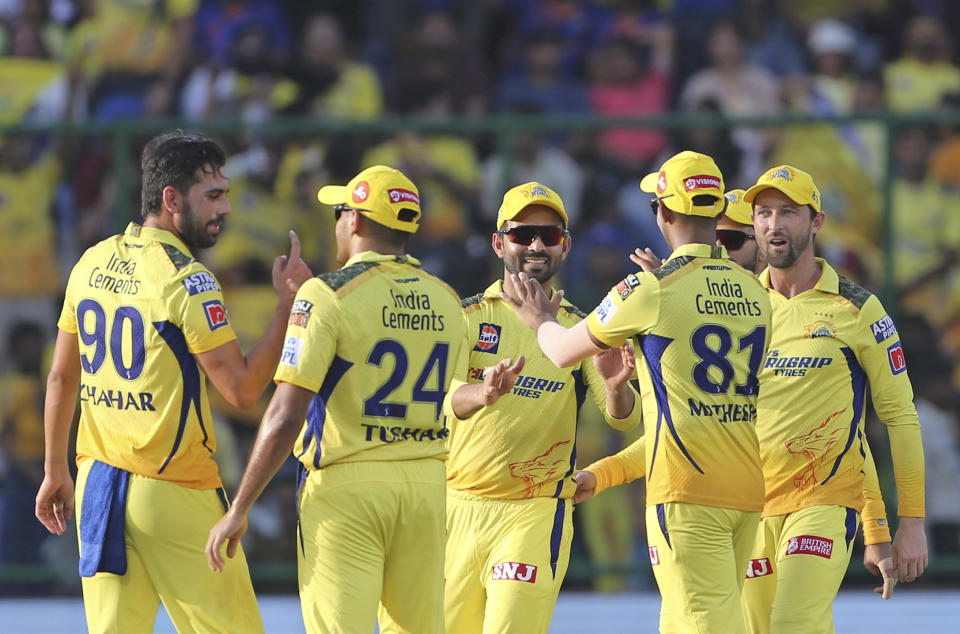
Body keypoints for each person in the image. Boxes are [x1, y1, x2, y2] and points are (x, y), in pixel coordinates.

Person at [35, 131, 312, 633]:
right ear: (171, 199)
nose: (225, 208)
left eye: (226, 193)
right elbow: (244, 391)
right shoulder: (188, 278)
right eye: (213, 195)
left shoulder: (91, 261)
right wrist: (288, 307)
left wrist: (55, 469)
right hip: (174, 488)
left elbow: (60, 377)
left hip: (97, 484)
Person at [502, 152, 773, 633]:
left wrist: (538, 319)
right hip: (748, 486)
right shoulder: (755, 290)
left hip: (687, 489)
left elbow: (564, 351)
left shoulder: (650, 288)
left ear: (663, 213)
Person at [205, 165, 467, 634]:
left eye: (340, 210)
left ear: (358, 222)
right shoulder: (448, 300)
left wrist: (240, 506)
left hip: (349, 488)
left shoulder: (326, 294)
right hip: (429, 485)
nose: (337, 221)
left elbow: (286, 414)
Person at [443, 181, 642, 634]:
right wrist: (482, 394)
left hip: (535, 510)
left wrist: (615, 389)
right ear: (499, 243)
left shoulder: (580, 327)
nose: (536, 245)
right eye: (523, 234)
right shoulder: (467, 317)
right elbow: (440, 401)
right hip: (457, 507)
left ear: (565, 247)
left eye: (549, 236)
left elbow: (623, 416)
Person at [739, 165, 927, 633]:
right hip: (744, 507)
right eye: (763, 213)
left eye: (788, 213)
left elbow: (898, 418)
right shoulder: (737, 309)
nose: (773, 225)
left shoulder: (859, 308)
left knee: (791, 625)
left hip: (823, 503)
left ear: (817, 221)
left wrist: (907, 523)